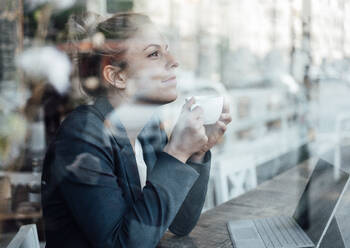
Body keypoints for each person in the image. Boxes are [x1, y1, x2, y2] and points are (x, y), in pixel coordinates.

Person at [41, 12, 232, 248]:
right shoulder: (82, 136)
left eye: (167, 49)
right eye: (154, 54)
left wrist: (196, 152)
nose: (174, 60)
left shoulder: (147, 127)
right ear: (117, 76)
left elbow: (179, 223)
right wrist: (176, 152)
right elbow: (124, 244)